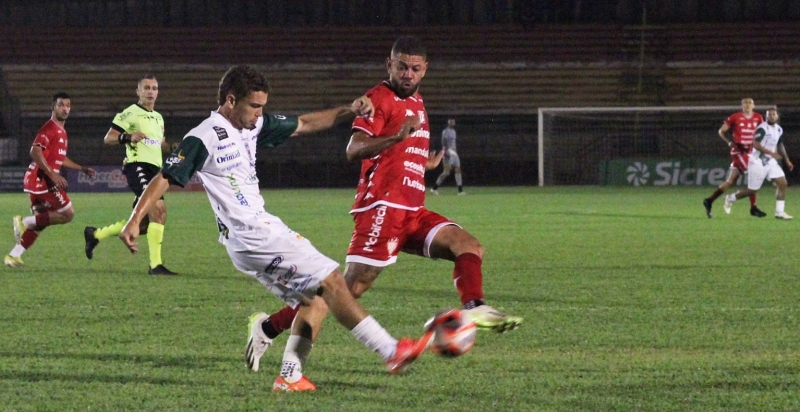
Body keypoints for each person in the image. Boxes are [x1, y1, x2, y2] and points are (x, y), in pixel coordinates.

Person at [117, 65, 431, 391]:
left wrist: (349, 110)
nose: (259, 113)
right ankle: (391, 351)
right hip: (252, 234)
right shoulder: (205, 135)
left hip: (256, 232)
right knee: (332, 281)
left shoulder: (252, 125)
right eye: (254, 106)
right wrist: (134, 219)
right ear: (230, 100)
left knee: (315, 298)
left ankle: (290, 376)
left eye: (262, 107)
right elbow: (164, 177)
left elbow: (305, 123)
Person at [254, 36, 522, 360]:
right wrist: (397, 137)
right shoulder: (378, 99)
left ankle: (475, 306)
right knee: (347, 291)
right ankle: (269, 328)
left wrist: (422, 162)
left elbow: (401, 151)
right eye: (402, 67)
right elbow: (354, 149)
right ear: (389, 65)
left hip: (412, 210)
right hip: (382, 207)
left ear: (425, 70)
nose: (408, 74)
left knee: (467, 245)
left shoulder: (418, 102)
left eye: (415, 68)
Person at [84, 74, 177, 275]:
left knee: (143, 224)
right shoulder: (130, 113)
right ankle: (155, 266)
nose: (151, 92)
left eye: (154, 88)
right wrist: (128, 136)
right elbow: (109, 138)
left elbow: (160, 144)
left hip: (155, 170)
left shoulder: (158, 117)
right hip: (138, 167)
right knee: (159, 210)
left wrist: (172, 148)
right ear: (138, 91)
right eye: (147, 88)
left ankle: (95, 234)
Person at [4, 92, 96, 267]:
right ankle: (23, 222)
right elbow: (34, 151)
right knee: (67, 214)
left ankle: (14, 255)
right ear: (53, 107)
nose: (65, 109)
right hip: (43, 180)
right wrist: (52, 174)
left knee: (41, 221)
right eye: (61, 105)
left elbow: (60, 158)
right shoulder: (50, 128)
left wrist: (81, 168)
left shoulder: (62, 131)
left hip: (35, 180)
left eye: (68, 105)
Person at [722, 107, 793, 219]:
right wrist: (771, 153)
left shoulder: (779, 129)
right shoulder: (762, 128)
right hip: (757, 161)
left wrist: (787, 159)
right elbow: (755, 144)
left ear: (777, 116)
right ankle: (730, 198)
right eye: (769, 115)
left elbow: (780, 144)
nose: (771, 116)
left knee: (783, 183)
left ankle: (779, 212)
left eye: (773, 114)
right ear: (766, 116)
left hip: (770, 161)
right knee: (753, 190)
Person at [703, 98, 766, 218]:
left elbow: (762, 133)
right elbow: (721, 131)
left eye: (750, 103)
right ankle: (752, 207)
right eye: (745, 103)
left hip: (750, 152)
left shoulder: (758, 117)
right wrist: (728, 141)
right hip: (738, 151)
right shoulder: (735, 117)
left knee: (731, 181)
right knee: (754, 176)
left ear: (753, 105)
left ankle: (709, 200)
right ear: (742, 105)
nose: (747, 105)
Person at [430, 118, 465, 195]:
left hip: (454, 153)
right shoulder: (445, 131)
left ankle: (460, 190)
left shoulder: (454, 131)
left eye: (453, 122)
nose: (453, 123)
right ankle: (434, 188)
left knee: (458, 169)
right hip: (448, 153)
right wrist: (447, 150)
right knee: (446, 172)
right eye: (451, 122)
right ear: (449, 123)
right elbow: (444, 141)